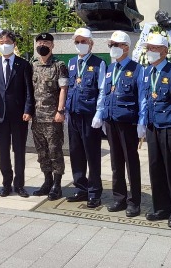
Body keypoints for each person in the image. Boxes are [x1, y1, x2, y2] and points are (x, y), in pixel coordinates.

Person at [94, 31, 146, 215]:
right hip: (110, 120)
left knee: (131, 162)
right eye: (111, 45)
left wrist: (142, 122)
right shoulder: (109, 69)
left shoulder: (137, 69)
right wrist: (99, 114)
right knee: (116, 162)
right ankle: (119, 198)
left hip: (128, 121)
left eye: (115, 45)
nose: (112, 48)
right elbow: (103, 93)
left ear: (125, 47)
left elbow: (142, 98)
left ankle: (134, 201)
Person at [141, 33, 171, 228]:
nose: (149, 51)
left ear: (164, 51)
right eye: (148, 48)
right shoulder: (148, 72)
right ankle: (161, 207)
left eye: (153, 48)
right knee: (155, 167)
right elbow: (146, 99)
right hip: (153, 126)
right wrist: (142, 124)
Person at [0, 30, 35, 198]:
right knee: (3, 152)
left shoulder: (23, 65)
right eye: (1, 42)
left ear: (14, 44)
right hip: (0, 116)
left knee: (19, 151)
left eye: (7, 42)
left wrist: (28, 109)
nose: (4, 45)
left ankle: (19, 184)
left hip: (19, 116)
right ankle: (6, 184)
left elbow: (29, 90)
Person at [65, 28, 107, 207]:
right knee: (76, 153)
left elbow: (103, 90)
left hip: (90, 115)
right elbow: (68, 88)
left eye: (83, 41)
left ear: (91, 43)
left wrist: (99, 113)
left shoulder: (99, 63)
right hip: (74, 113)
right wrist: (66, 110)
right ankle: (81, 187)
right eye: (77, 42)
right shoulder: (72, 62)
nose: (80, 45)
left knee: (92, 154)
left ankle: (94, 191)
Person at [30, 33, 68, 201]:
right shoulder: (33, 65)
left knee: (55, 152)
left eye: (46, 42)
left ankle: (57, 185)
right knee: (42, 153)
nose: (42, 45)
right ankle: (47, 181)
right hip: (36, 118)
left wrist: (60, 111)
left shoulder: (59, 65)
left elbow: (64, 89)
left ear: (52, 45)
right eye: (39, 42)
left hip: (52, 118)